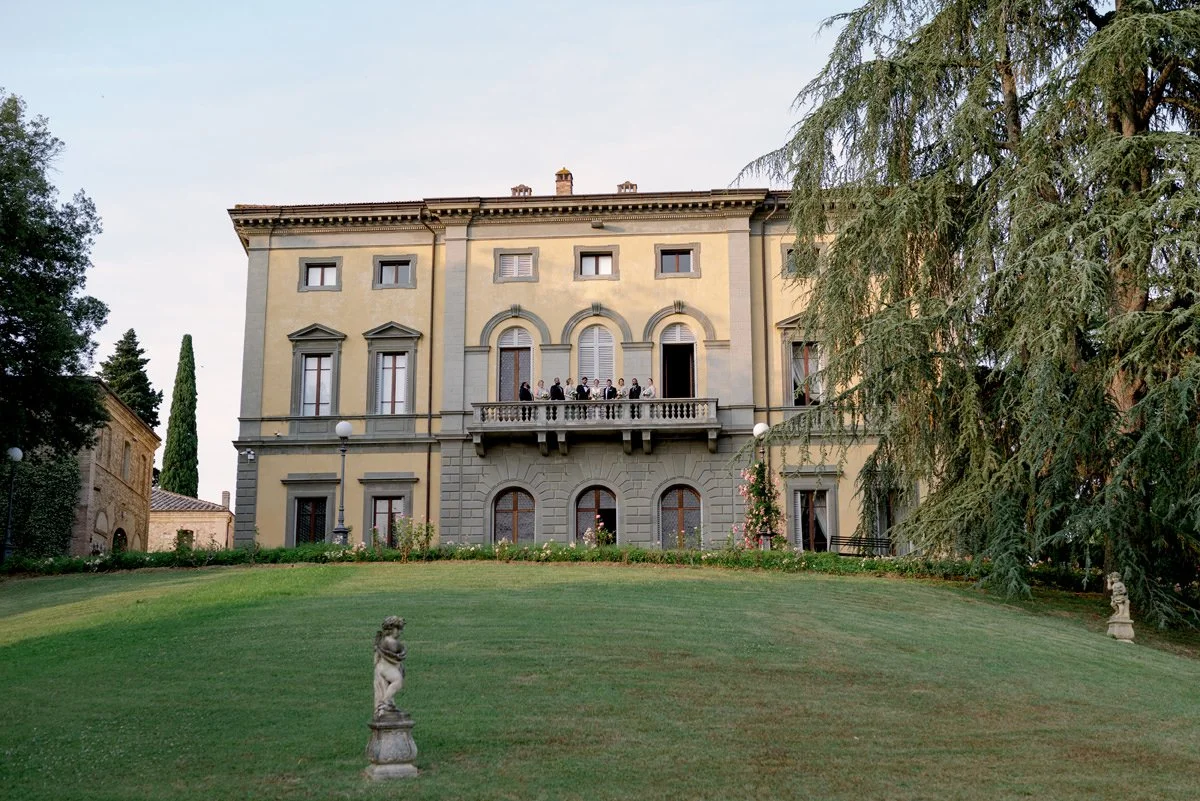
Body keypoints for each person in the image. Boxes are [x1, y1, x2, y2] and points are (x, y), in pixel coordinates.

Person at [373, 616, 407, 717]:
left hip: (384, 667)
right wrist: (404, 649)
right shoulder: (389, 641)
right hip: (386, 667)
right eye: (398, 629)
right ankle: (385, 701)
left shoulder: (384, 640)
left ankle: (388, 703)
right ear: (392, 629)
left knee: (389, 685)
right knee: (398, 681)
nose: (400, 632)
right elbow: (397, 649)